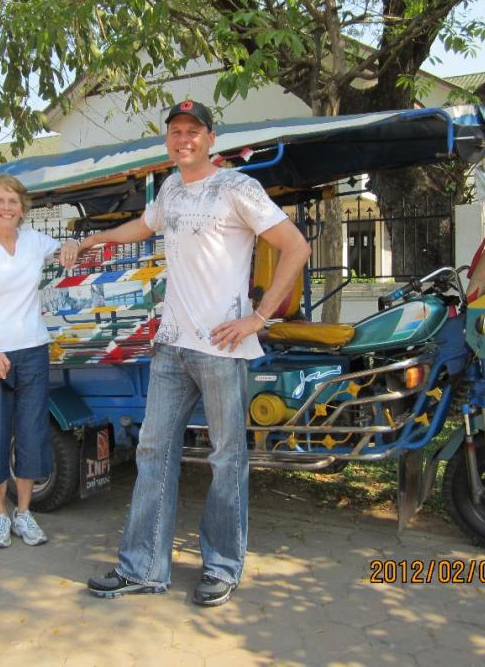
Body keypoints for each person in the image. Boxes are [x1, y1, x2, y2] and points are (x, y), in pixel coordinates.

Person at [79, 100, 311, 606]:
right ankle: (143, 568)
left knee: (227, 459)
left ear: (210, 138)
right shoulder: (170, 189)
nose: (183, 139)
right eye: (175, 132)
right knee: (152, 453)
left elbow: (296, 246)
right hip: (171, 346)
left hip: (221, 348)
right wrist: (99, 237)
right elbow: (144, 226)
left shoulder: (237, 187)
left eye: (193, 131)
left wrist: (259, 317)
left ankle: (222, 568)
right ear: (168, 140)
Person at [0, 174, 80, 548]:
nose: (7, 207)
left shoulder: (34, 241)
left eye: (13, 201)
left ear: (22, 209)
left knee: (32, 432)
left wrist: (72, 242)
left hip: (32, 350)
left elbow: (66, 246)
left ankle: (24, 513)